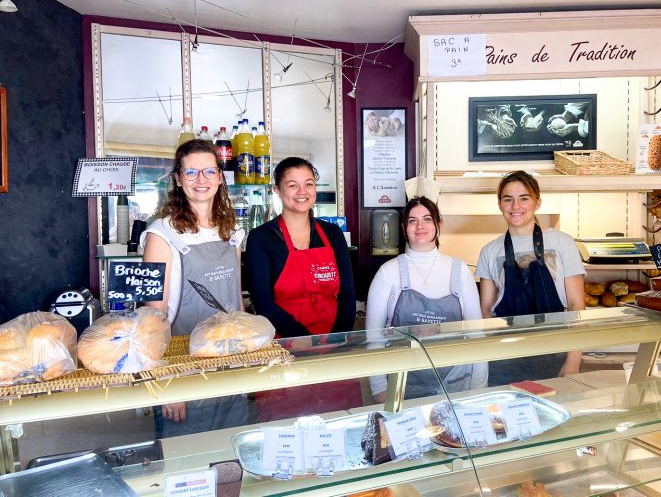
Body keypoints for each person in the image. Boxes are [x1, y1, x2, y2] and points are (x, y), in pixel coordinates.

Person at [141, 138, 247, 436]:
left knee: (231, 452)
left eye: (209, 171)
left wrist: (246, 360)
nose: (201, 180)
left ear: (220, 177)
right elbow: (153, 318)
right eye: (191, 172)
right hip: (184, 372)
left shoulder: (232, 231)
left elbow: (236, 302)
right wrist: (169, 383)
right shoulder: (160, 235)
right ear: (178, 178)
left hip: (229, 364)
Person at [245, 156, 357, 420]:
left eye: (308, 184)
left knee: (337, 423)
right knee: (285, 426)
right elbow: (264, 303)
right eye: (292, 185)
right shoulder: (261, 238)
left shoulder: (332, 234)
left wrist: (336, 339)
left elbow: (348, 294)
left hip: (334, 348)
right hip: (284, 349)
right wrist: (305, 341)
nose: (302, 192)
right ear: (277, 190)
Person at [366, 196, 486, 402]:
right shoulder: (388, 272)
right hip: (402, 383)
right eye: (412, 220)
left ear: (439, 225)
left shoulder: (459, 270)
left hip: (456, 384)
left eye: (427, 219)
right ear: (404, 228)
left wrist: (478, 386)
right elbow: (373, 338)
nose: (420, 226)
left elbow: (477, 335)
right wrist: (379, 388)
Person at [477, 170, 585, 386]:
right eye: (508, 199)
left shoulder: (562, 243)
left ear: (538, 202)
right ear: (500, 204)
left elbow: (577, 306)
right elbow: (486, 313)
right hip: (505, 360)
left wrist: (573, 360)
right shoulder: (489, 251)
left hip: (555, 353)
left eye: (524, 198)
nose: (515, 206)